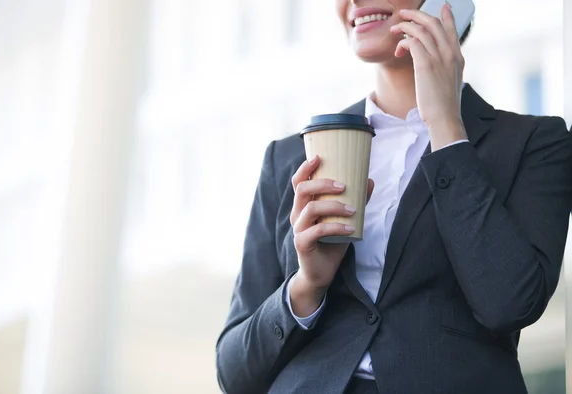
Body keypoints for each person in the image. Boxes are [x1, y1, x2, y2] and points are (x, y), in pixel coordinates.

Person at [216, 0, 572, 393]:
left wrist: (447, 128)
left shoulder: (535, 143)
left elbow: (510, 304)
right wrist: (306, 285)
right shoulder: (290, 156)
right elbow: (234, 372)